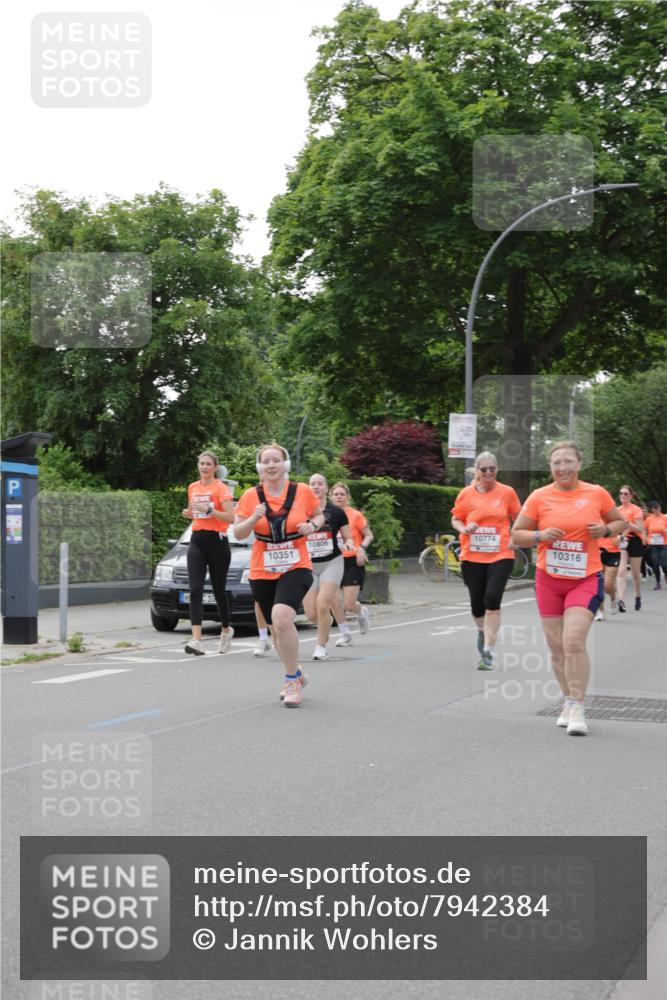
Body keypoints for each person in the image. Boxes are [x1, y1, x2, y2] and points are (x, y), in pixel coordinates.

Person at [511, 441, 625, 736]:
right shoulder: (539, 497)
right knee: (556, 646)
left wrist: (605, 530)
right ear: (550, 467)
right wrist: (540, 535)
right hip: (548, 580)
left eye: (568, 461)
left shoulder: (596, 493)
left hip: (585, 578)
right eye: (556, 463)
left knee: (573, 641)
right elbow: (517, 535)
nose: (562, 467)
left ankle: (577, 706)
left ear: (579, 464)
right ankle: (568, 699)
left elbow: (619, 522)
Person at [234, 443, 324, 707]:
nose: (271, 465)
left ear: (285, 465)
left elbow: (319, 516)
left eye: (276, 460)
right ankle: (297, 673)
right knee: (276, 629)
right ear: (260, 467)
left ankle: (291, 681)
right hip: (262, 568)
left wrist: (312, 525)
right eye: (266, 461)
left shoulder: (302, 491)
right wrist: (253, 518)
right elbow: (238, 533)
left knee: (282, 617)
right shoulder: (250, 496)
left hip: (297, 564)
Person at [451, 452, 521, 670]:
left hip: (501, 553)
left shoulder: (507, 492)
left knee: (492, 599)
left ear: (497, 469)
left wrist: (516, 536)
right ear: (477, 471)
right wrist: (465, 528)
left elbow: (519, 518)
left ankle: (488, 651)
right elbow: (456, 518)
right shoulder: (466, 494)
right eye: (484, 469)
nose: (489, 472)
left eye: (492, 468)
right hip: (472, 555)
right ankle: (482, 631)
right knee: (477, 605)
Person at [182, 451, 235, 655]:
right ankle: (196, 640)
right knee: (195, 589)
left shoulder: (221, 488)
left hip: (218, 542)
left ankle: (226, 630)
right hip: (197, 540)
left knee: (218, 590)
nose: (204, 467)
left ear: (215, 467)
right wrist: (188, 513)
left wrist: (210, 511)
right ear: (198, 466)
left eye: (208, 464)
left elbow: (231, 517)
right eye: (201, 463)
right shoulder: (193, 487)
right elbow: (193, 512)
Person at [303, 474, 353, 659]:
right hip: (308, 565)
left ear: (326, 488)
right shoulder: (302, 511)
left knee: (323, 604)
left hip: (332, 562)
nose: (316, 487)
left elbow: (348, 536)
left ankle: (320, 646)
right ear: (308, 488)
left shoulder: (337, 512)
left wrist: (349, 543)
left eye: (320, 484)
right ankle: (327, 621)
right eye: (312, 484)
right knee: (311, 614)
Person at [330, 482, 373, 638]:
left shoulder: (355, 515)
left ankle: (361, 612)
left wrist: (361, 548)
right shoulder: (326, 515)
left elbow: (369, 535)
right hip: (333, 561)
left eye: (342, 494)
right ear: (331, 497)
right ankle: (345, 634)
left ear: (347, 497)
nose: (339, 497)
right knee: (334, 602)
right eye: (336, 494)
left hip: (352, 562)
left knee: (349, 604)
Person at [616, 485, 645, 612]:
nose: (623, 495)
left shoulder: (636, 510)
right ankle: (621, 600)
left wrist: (627, 522)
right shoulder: (617, 510)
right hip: (622, 539)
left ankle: (638, 595)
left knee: (635, 573)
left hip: (635, 540)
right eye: (621, 493)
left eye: (626, 494)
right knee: (621, 571)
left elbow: (640, 529)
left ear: (631, 496)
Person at [597, 527, 622, 620]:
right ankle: (601, 611)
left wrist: (621, 538)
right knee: (598, 583)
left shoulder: (615, 519)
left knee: (607, 585)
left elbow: (625, 528)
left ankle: (613, 598)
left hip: (613, 552)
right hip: (598, 551)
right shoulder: (596, 519)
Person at [645, 500, 667, 590]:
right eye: (655, 508)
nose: (657, 509)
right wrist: (645, 538)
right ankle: (658, 583)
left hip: (664, 544)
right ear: (652, 509)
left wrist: (665, 531)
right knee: (655, 564)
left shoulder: (665, 518)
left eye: (658, 507)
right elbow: (645, 530)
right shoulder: (649, 519)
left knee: (664, 564)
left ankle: (666, 575)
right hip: (653, 545)